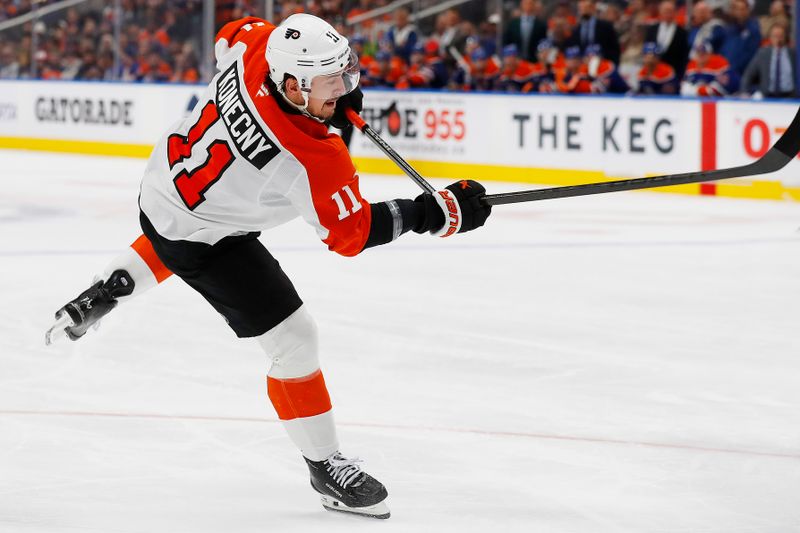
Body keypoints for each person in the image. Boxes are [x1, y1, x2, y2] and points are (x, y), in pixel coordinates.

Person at [45, 14, 492, 520]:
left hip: (162, 187)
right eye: (331, 81)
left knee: (176, 233)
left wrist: (330, 106)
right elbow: (349, 234)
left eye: (346, 73)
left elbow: (229, 34)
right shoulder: (310, 154)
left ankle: (107, 291)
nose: (345, 86)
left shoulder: (257, 46)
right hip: (205, 235)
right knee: (295, 341)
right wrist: (433, 214)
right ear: (293, 85)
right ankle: (326, 468)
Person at [741, 24, 796, 99]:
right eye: (775, 36)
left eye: (781, 36)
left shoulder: (793, 54)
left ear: (785, 37)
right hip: (768, 96)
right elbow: (748, 74)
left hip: (790, 96)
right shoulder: (763, 53)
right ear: (770, 37)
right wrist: (744, 92)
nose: (778, 39)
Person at [644, 0, 689, 77]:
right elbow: (646, 49)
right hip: (653, 73)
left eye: (670, 11)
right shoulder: (652, 29)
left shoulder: (682, 32)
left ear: (675, 12)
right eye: (665, 11)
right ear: (660, 12)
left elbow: (684, 56)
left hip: (673, 72)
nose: (668, 14)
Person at [571, 0, 620, 64]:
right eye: (581, 5)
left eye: (586, 5)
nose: (583, 8)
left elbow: (614, 50)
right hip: (583, 67)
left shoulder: (606, 27)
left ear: (593, 6)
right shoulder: (576, 30)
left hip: (603, 66)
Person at [720, 0, 761, 76]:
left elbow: (751, 54)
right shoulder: (729, 29)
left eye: (742, 9)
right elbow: (724, 50)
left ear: (748, 10)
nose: (740, 12)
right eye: (737, 9)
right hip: (726, 72)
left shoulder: (753, 29)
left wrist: (734, 69)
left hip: (743, 73)